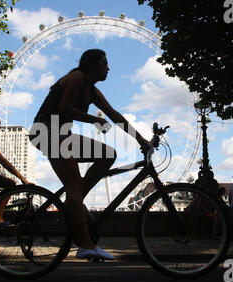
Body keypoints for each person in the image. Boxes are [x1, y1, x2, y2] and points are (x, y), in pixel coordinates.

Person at [29, 49, 149, 260]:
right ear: (91, 66)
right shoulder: (76, 77)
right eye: (104, 64)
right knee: (74, 186)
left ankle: (74, 205)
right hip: (46, 130)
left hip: (60, 132)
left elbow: (114, 115)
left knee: (107, 155)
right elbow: (64, 107)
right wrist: (93, 120)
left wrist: (141, 139)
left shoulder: (92, 90)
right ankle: (86, 244)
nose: (108, 68)